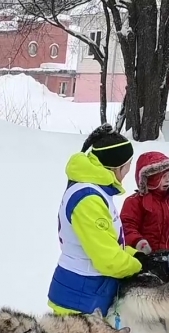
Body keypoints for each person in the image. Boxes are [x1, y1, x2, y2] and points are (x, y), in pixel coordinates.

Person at [47, 124, 143, 316]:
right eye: (127, 166)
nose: (127, 173)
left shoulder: (95, 190)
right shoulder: (89, 199)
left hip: (88, 292)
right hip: (80, 299)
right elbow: (108, 260)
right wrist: (140, 265)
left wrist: (134, 254)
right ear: (117, 166)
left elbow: (106, 243)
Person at [120, 151, 169, 254]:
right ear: (150, 177)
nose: (168, 181)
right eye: (163, 177)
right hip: (142, 259)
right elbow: (127, 226)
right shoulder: (135, 201)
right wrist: (138, 242)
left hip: (165, 260)